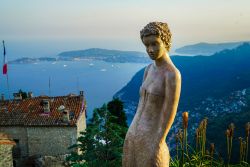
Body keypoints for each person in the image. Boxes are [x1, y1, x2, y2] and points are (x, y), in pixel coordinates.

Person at [122, 22, 181, 167]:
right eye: (146, 45)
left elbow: (169, 114)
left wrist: (158, 142)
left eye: (155, 44)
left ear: (166, 42)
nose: (150, 50)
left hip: (152, 139)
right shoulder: (148, 69)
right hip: (133, 135)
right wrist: (132, 135)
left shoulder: (172, 75)